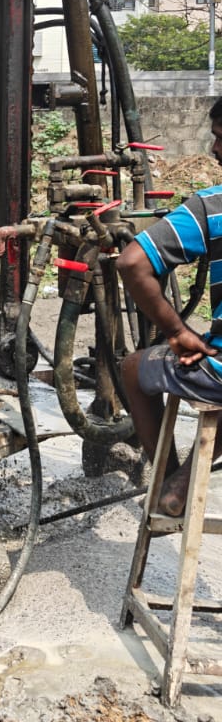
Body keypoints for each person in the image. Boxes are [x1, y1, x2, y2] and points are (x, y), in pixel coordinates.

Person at [118, 96, 222, 517]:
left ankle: (169, 479)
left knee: (131, 367)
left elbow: (131, 262)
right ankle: (182, 481)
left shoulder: (211, 206)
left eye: (219, 138)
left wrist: (178, 333)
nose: (214, 150)